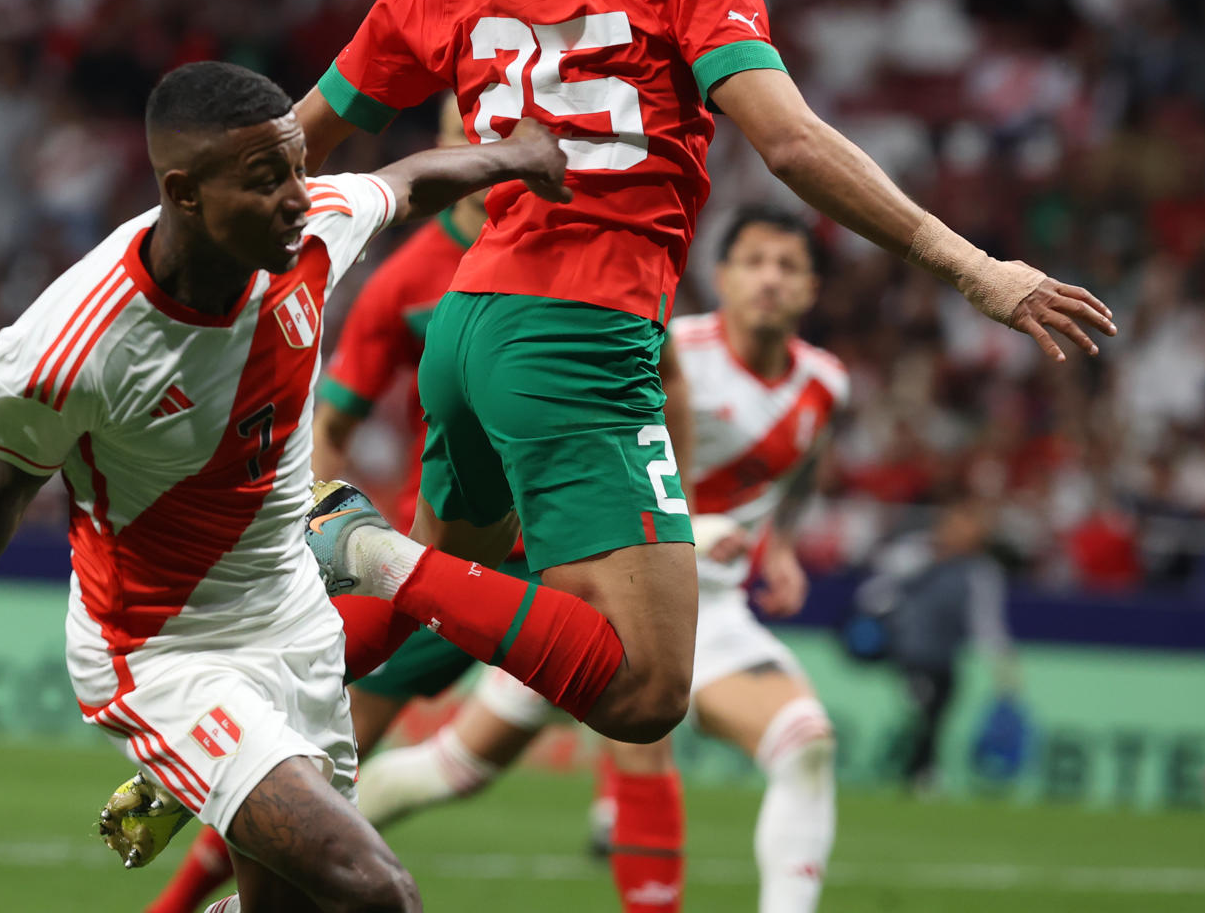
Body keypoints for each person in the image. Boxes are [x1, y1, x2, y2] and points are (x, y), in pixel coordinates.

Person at [290, 0, 1114, 749]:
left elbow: (296, 143)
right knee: (642, 689)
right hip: (579, 337)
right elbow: (794, 144)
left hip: (466, 325)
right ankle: (363, 546)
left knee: (439, 592)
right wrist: (972, 264)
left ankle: (253, 709)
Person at [0, 62, 606, 913]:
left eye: (298, 171)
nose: (297, 198)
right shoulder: (71, 345)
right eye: (266, 180)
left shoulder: (307, 236)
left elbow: (401, 182)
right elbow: (8, 483)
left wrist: (517, 155)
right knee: (380, 896)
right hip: (165, 656)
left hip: (297, 626)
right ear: (184, 191)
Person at [139, 100, 670, 913]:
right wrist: (305, 525)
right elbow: (334, 423)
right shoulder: (407, 278)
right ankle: (185, 867)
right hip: (459, 550)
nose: (481, 142)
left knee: (627, 719)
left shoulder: (578, 234)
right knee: (326, 746)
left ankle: (204, 805)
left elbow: (669, 379)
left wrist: (681, 488)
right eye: (466, 129)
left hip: (572, 533)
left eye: (495, 126)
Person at [352, 206, 846, 913]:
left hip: (718, 608)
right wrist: (691, 527)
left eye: (789, 267)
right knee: (449, 770)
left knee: (805, 743)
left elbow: (803, 468)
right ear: (724, 275)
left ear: (812, 289)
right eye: (755, 262)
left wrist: (787, 546)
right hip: (611, 577)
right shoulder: (659, 345)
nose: (770, 280)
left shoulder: (828, 384)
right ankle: (288, 851)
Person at [856, 497, 1018, 794]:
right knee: (924, 710)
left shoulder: (980, 573)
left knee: (936, 714)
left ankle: (916, 771)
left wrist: (1004, 671)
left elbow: (987, 626)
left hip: (944, 658)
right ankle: (921, 774)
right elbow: (873, 593)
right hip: (909, 654)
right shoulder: (914, 555)